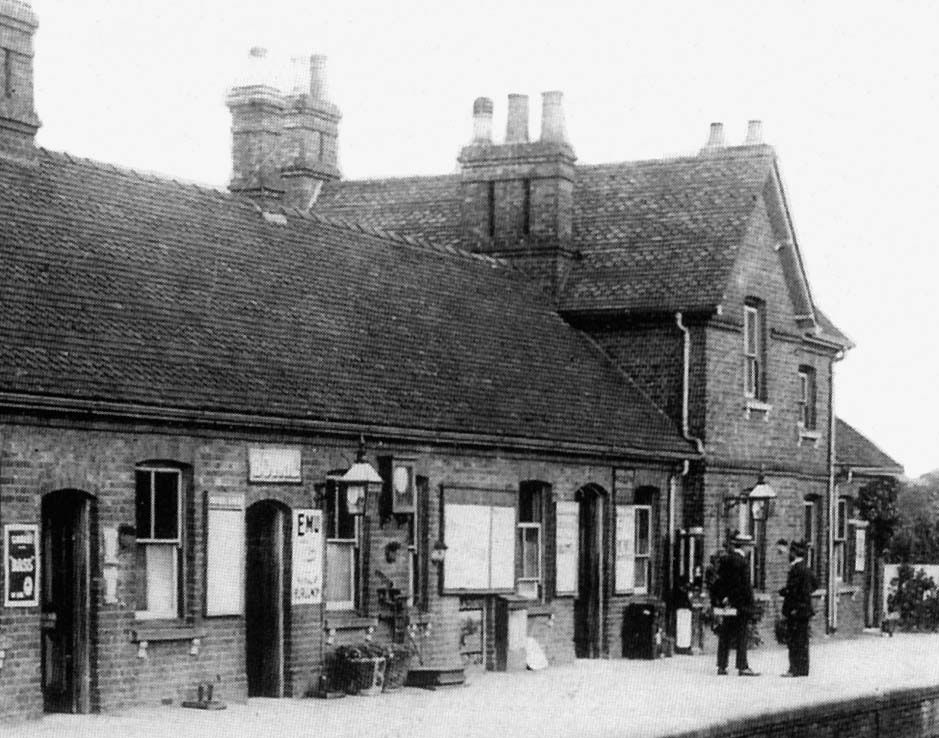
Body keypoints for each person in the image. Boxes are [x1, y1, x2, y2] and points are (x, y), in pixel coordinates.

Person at [711, 531, 759, 676]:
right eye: (749, 546)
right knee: (742, 635)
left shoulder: (726, 560)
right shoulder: (743, 562)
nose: (750, 549)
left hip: (728, 604)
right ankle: (742, 666)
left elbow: (719, 582)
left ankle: (722, 666)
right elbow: (744, 586)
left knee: (725, 634)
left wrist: (724, 598)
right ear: (744, 547)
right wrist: (750, 604)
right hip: (741, 605)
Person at [779, 539, 818, 677]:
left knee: (794, 640)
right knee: (803, 640)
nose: (789, 554)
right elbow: (815, 584)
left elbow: (794, 591)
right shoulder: (807, 569)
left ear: (794, 553)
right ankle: (803, 669)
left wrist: (785, 592)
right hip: (804, 610)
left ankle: (794, 669)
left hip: (795, 611)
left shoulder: (796, 569)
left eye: (791, 552)